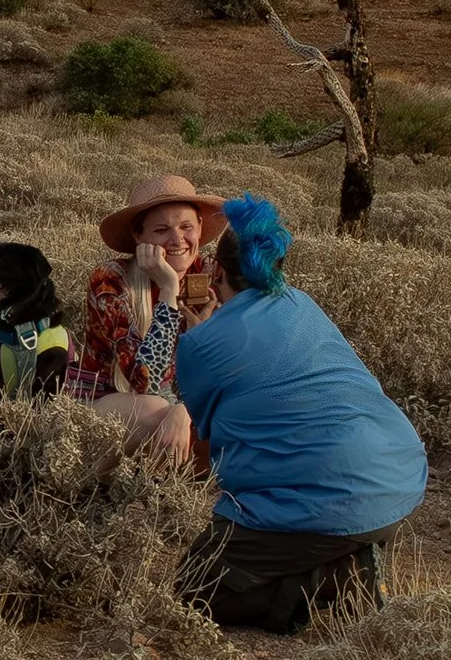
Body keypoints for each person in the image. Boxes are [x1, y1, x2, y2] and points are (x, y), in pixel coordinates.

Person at [175, 193, 427, 632]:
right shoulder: (302, 303)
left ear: (215, 273)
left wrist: (204, 332)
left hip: (327, 504)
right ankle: (347, 553)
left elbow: (205, 443)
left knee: (192, 589)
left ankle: (333, 578)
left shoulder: (201, 345)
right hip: (397, 480)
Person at [72, 174, 226, 465]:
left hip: (184, 408)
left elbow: (233, 368)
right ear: (138, 237)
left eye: (186, 227)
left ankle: (169, 486)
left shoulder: (211, 275)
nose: (177, 240)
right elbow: (146, 382)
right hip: (110, 404)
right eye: (161, 230)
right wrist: (168, 290)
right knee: (155, 409)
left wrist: (185, 409)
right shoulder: (111, 280)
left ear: (200, 228)